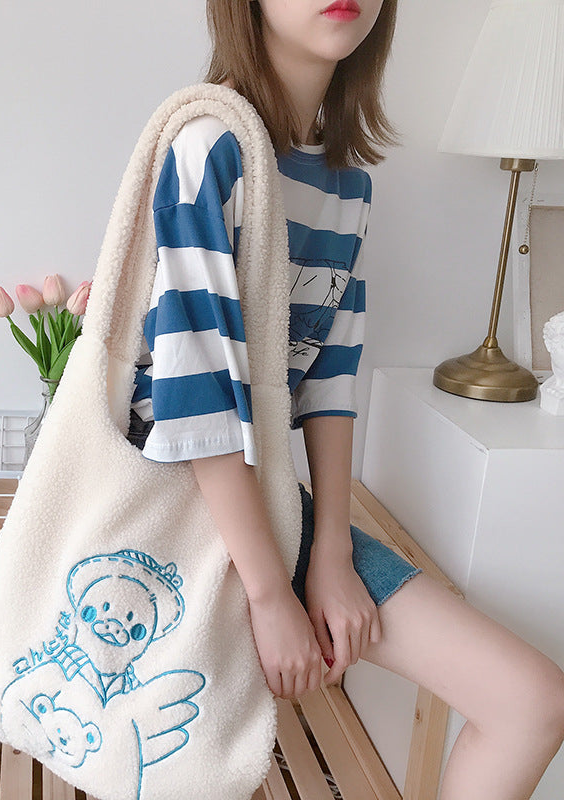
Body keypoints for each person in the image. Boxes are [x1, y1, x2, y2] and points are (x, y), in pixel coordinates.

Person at [124, 1, 564, 797]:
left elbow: (330, 374)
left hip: (269, 506)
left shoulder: (345, 185)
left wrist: (329, 552)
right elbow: (194, 400)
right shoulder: (208, 145)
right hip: (172, 502)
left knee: (532, 702)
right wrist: (271, 595)